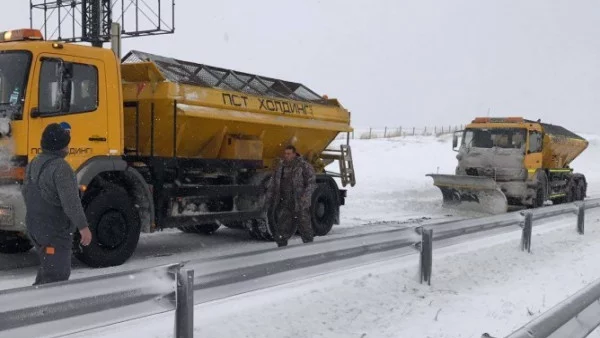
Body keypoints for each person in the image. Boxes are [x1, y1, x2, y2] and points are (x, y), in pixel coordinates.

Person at [22, 123, 92, 285]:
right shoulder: (61, 168)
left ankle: (32, 302)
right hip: (54, 230)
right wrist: (83, 227)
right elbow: (71, 202)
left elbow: (26, 192)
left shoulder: (34, 162)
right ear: (62, 146)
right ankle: (40, 307)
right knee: (57, 276)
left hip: (35, 227)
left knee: (49, 269)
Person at [265, 145, 317, 247]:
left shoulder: (303, 166)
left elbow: (311, 182)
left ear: (294, 154)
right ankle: (281, 246)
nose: (286, 156)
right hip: (285, 201)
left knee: (305, 226)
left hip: (300, 201)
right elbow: (273, 183)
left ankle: (309, 246)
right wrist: (269, 198)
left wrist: (305, 196)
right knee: (282, 226)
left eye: (288, 153)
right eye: (285, 153)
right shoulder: (280, 167)